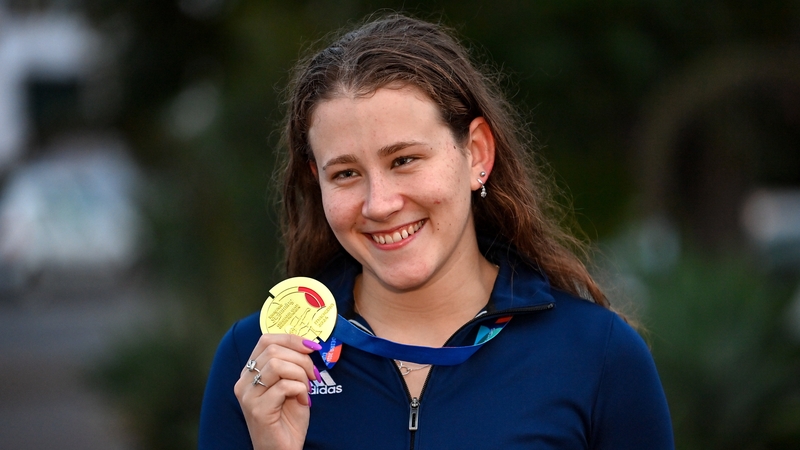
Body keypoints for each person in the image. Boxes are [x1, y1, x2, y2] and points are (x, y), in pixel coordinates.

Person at [199, 13, 673, 450]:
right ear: (317, 182)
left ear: (478, 155)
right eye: (345, 173)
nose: (379, 203)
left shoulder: (597, 354)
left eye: (404, 160)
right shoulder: (257, 362)